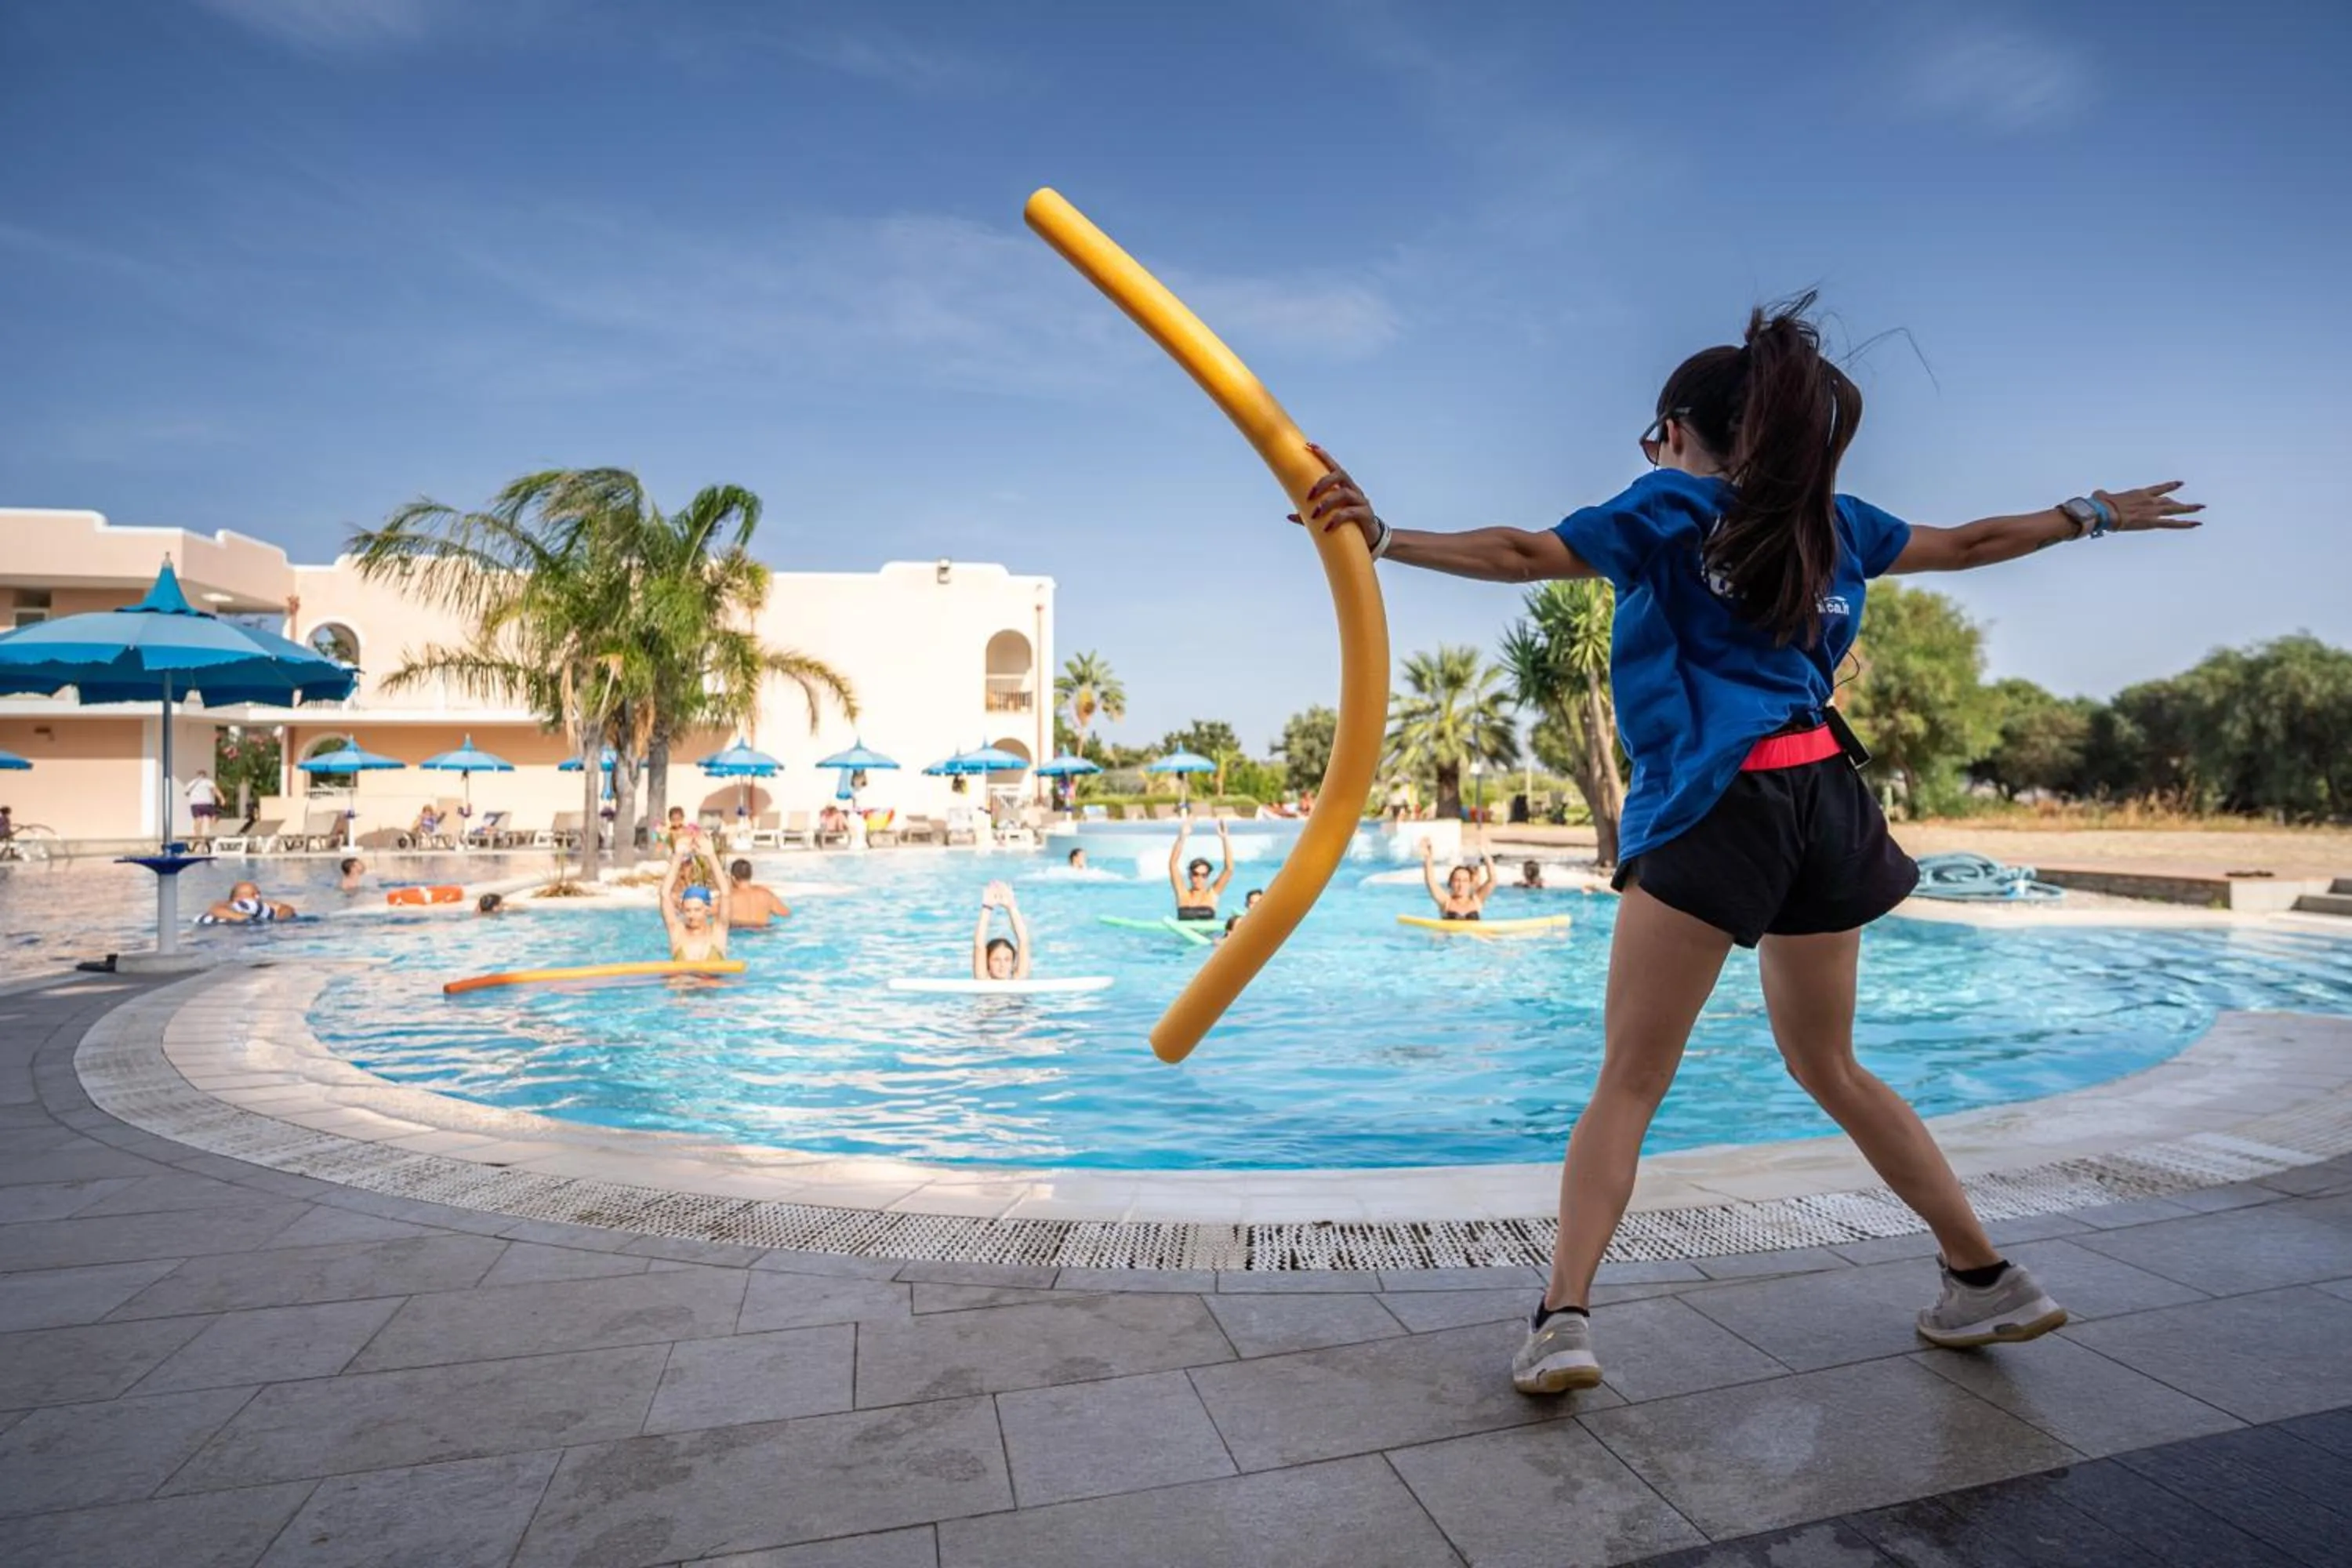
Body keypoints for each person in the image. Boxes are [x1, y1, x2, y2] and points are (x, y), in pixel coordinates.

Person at [1297, 294, 2201, 1395]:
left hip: (1721, 805)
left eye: (1654, 437)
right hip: (1827, 799)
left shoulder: (1668, 510)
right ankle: (1985, 1278)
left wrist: (1386, 539)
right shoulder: (1834, 521)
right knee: (1829, 1063)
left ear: (1677, 431)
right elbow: (1969, 544)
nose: (1652, 454)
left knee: (1628, 1081)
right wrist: (2091, 512)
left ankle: (1562, 1318)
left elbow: (1527, 552)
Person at [659, 833, 730, 960]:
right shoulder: (677, 933)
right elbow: (665, 894)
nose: (692, 915)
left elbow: (725, 893)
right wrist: (678, 856)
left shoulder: (718, 932)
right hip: (682, 980)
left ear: (707, 909)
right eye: (688, 910)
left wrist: (711, 855)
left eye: (697, 910)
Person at [1167, 818, 1233, 921]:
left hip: (1209, 936)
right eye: (1195, 874)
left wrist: (1225, 839)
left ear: (1207, 876)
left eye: (1204, 875)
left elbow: (1229, 869)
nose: (1199, 878)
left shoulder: (1212, 894)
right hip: (1183, 937)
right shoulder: (1182, 893)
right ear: (1189, 875)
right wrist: (1182, 837)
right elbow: (1173, 864)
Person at [970, 880, 1032, 981]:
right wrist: (987, 907)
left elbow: (1024, 942)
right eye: (996, 960)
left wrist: (1012, 907)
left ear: (1013, 963)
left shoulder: (1018, 981)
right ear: (987, 963)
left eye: (1007, 960)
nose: (1002, 965)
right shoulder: (984, 981)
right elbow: (979, 946)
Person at [1421, 839, 1494, 920]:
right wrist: (1428, 857)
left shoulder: (1477, 900)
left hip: (1474, 932)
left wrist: (1487, 856)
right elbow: (1431, 881)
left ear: (1470, 883)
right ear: (1451, 883)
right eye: (1457, 880)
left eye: (1465, 881)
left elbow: (1492, 881)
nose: (1461, 885)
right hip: (1449, 932)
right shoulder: (1445, 902)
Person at [726, 858, 792, 927]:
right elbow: (787, 913)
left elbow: (713, 912)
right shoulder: (767, 895)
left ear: (733, 878)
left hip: (738, 932)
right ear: (751, 875)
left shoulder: (728, 898)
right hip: (763, 931)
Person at [201, 880, 296, 924]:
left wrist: (280, 918)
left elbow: (286, 908)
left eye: (258, 893)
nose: (258, 896)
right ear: (237, 898)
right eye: (252, 894)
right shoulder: (227, 904)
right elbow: (215, 909)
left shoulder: (263, 904)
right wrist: (244, 918)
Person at [186, 771, 220, 846]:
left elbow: (186, 793)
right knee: (213, 817)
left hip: (195, 804)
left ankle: (198, 837)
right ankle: (212, 834)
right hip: (207, 803)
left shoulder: (192, 783)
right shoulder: (208, 782)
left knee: (198, 820)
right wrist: (222, 798)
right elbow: (215, 790)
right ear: (205, 776)